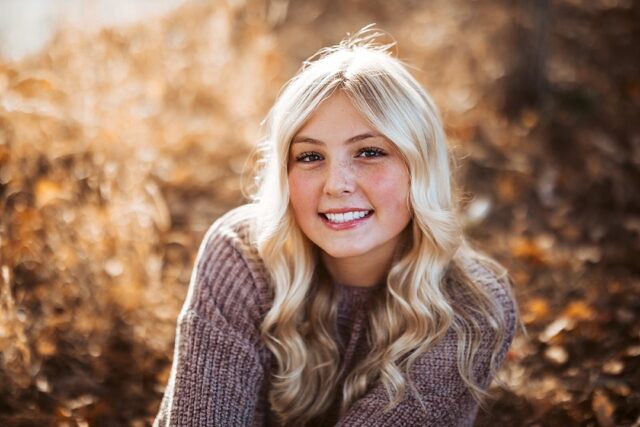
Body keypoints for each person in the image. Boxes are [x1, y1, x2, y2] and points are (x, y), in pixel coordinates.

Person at [154, 27, 519, 427]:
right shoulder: (241, 256)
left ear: (419, 167)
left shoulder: (473, 307)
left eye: (369, 152)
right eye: (310, 156)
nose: (336, 183)